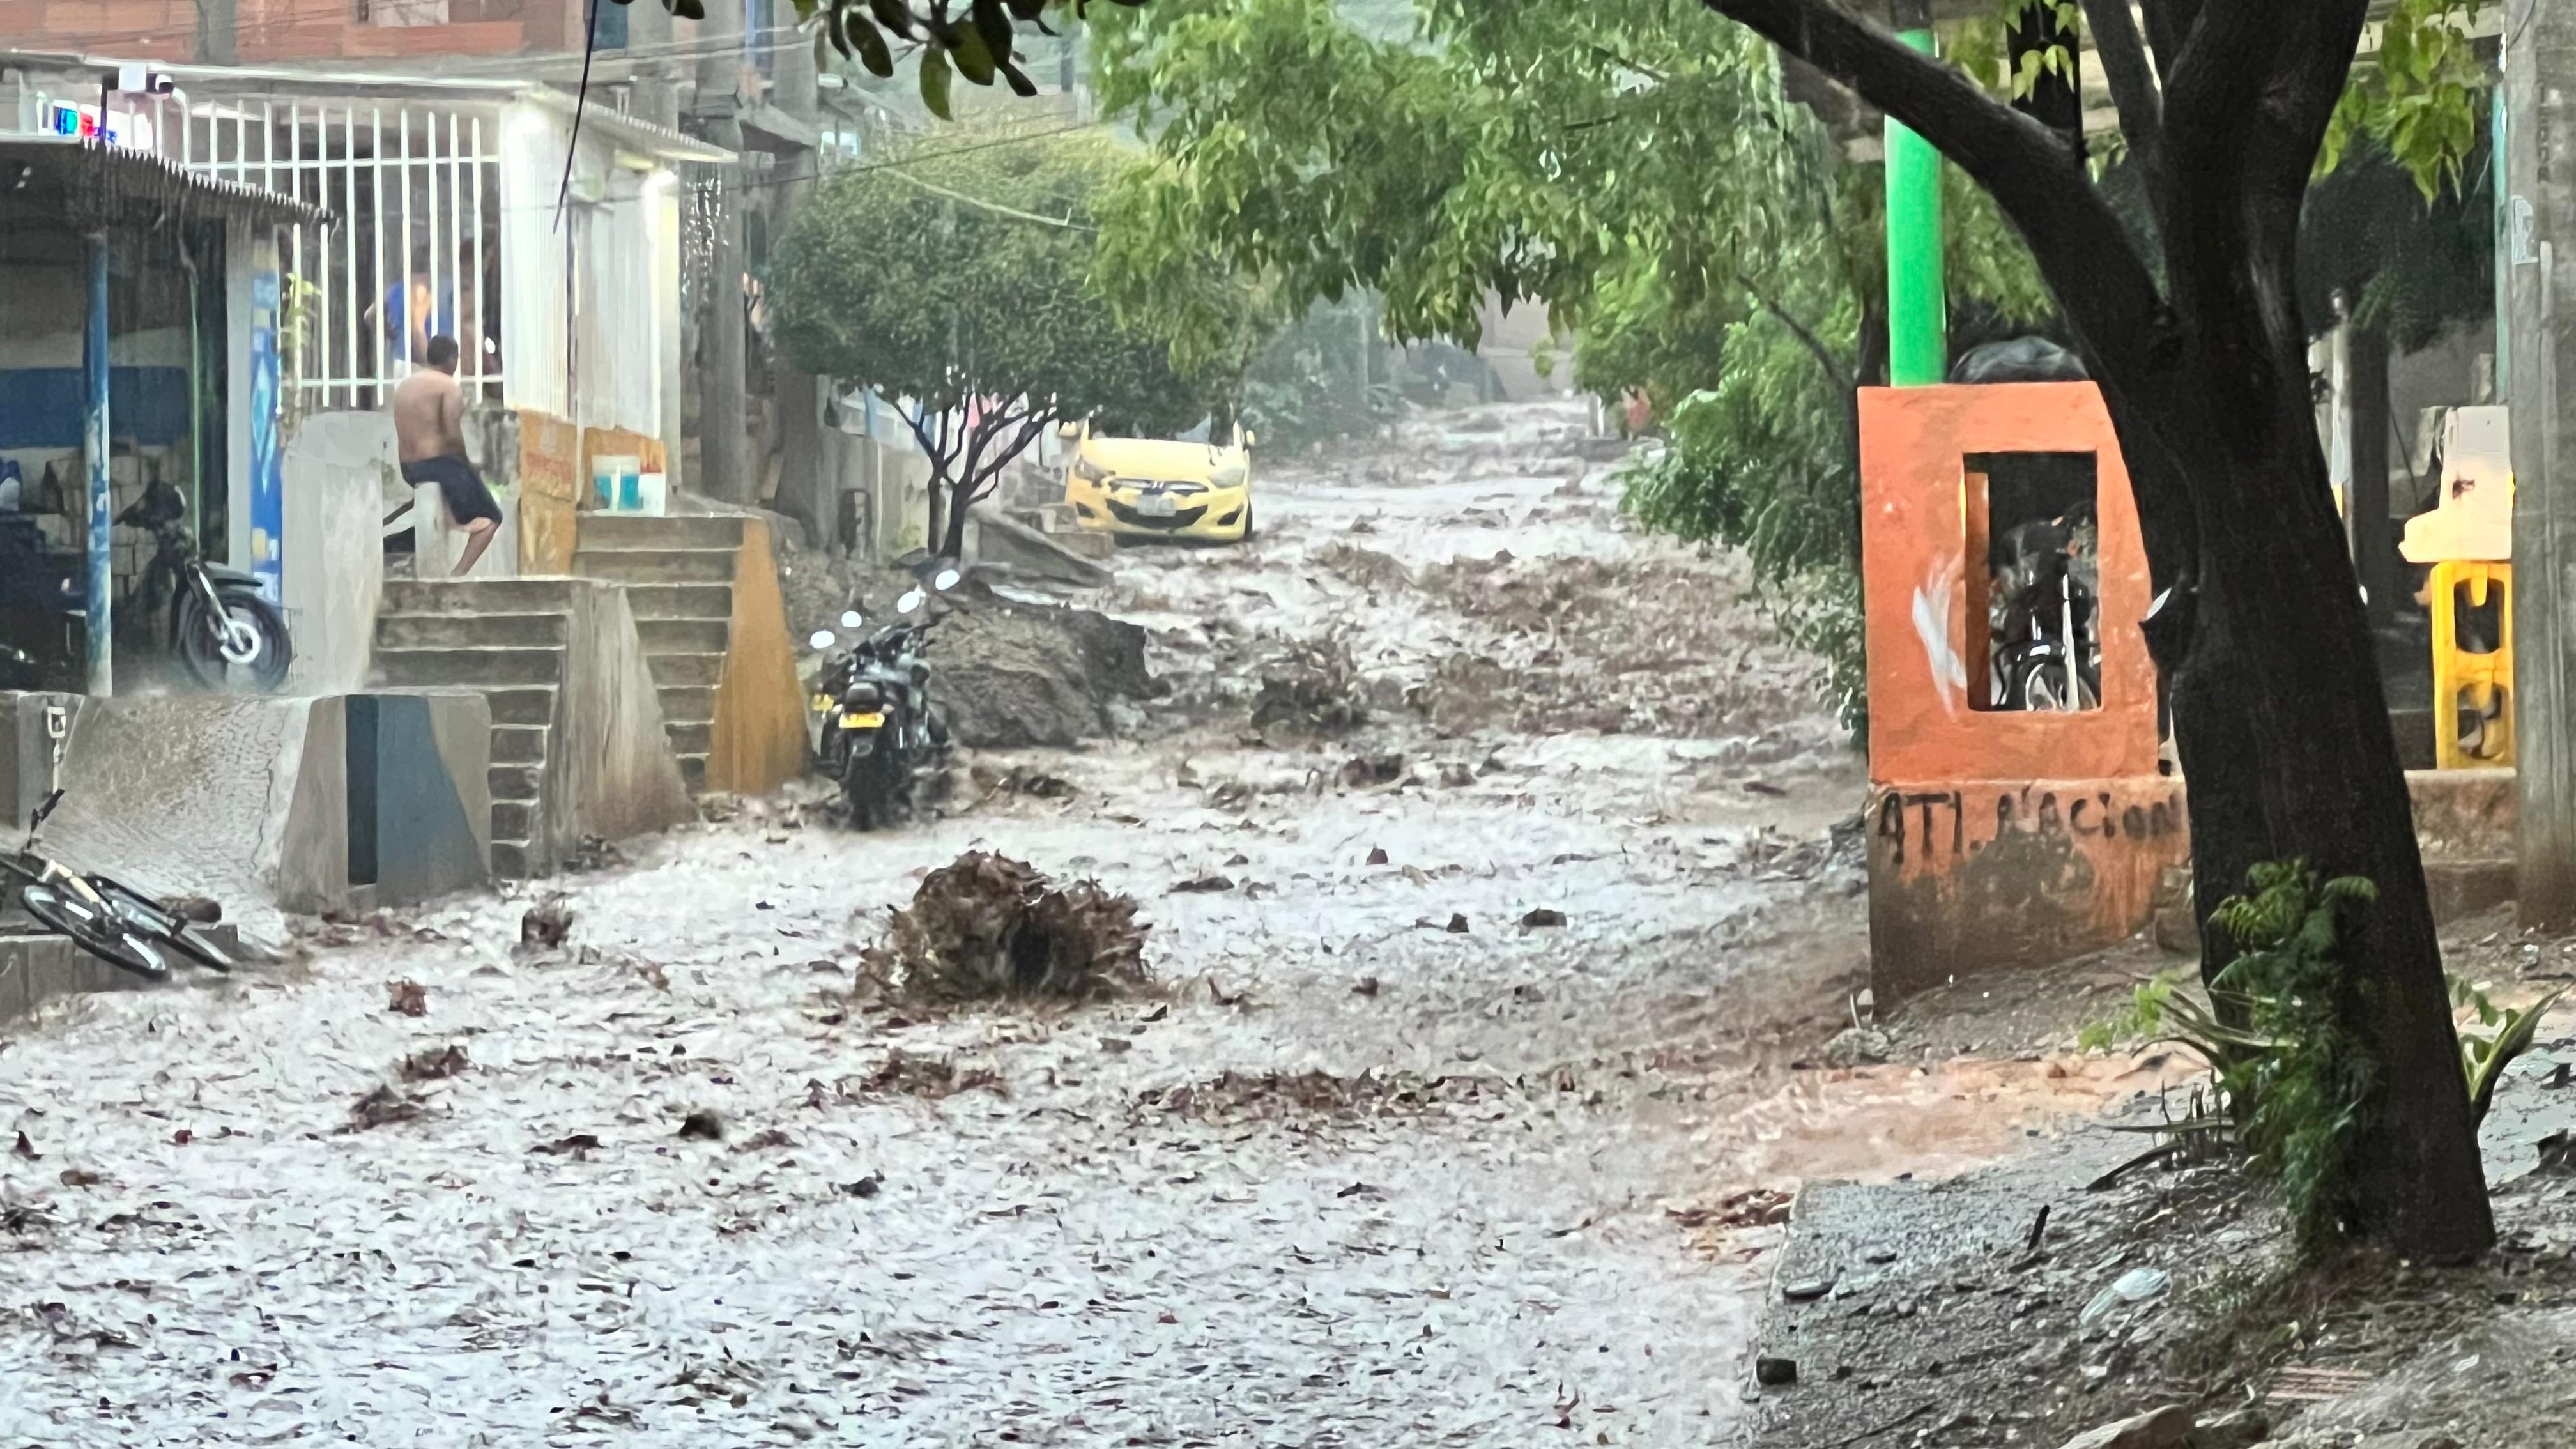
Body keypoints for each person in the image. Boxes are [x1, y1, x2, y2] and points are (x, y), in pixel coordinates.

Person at [388, 335, 501, 576]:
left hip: (408, 468)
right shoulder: (448, 386)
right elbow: (451, 434)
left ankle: (453, 519)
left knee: (452, 498)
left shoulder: (405, 386)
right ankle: (458, 573)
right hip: (438, 466)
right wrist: (467, 463)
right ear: (454, 361)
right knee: (493, 518)